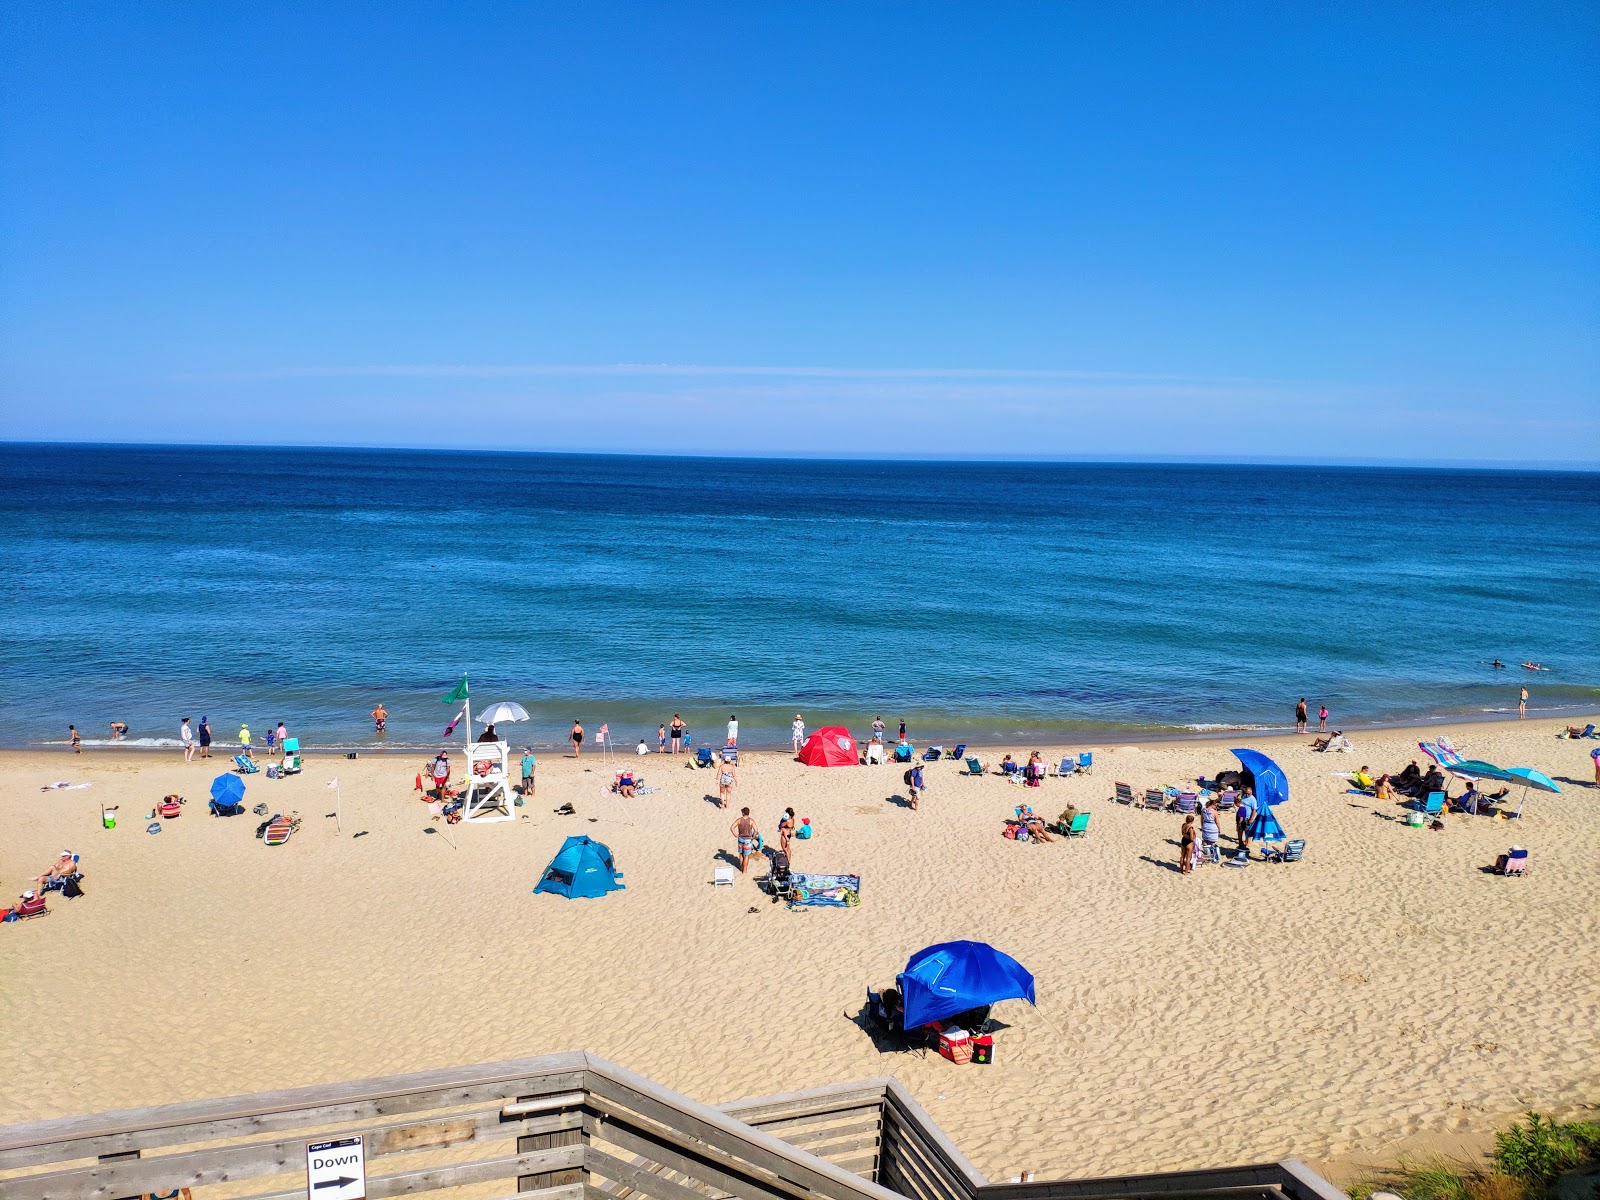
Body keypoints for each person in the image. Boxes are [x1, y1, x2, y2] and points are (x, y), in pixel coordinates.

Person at [730, 807, 759, 873]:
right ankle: (744, 870)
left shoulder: (739, 820)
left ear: (743, 813)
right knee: (746, 855)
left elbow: (732, 827)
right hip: (748, 840)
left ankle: (741, 867)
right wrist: (753, 837)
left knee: (741, 853)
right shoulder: (751, 821)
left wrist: (735, 834)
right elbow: (756, 830)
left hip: (740, 838)